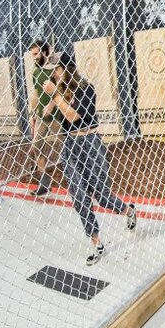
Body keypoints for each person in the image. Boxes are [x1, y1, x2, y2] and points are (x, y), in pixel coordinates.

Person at [41, 52, 137, 265]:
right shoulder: (61, 91)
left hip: (91, 143)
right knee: (79, 197)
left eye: (56, 70)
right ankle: (97, 242)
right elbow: (58, 118)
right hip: (70, 147)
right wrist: (50, 105)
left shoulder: (86, 88)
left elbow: (75, 116)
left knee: (102, 195)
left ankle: (128, 210)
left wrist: (55, 97)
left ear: (67, 68)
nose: (54, 75)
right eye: (52, 72)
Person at [28, 40, 63, 196]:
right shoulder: (35, 73)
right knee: (36, 147)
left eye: (36, 54)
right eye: (32, 55)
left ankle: (86, 183)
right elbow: (36, 94)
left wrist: (53, 104)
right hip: (42, 118)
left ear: (45, 52)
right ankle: (44, 185)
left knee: (68, 148)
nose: (34, 57)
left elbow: (65, 89)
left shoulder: (56, 69)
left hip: (57, 116)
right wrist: (32, 113)